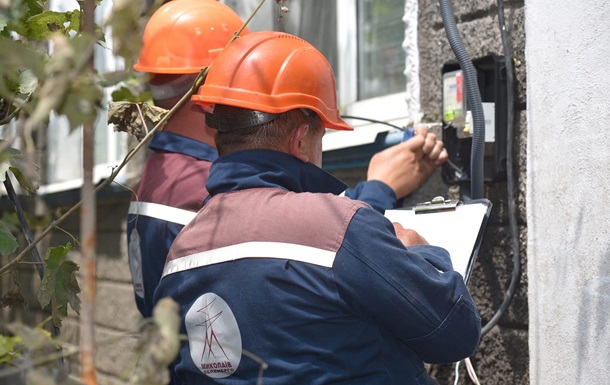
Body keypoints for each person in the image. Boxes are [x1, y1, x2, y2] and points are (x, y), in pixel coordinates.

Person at [155, 31, 481, 385]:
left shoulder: (180, 254)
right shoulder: (339, 228)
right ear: (299, 140)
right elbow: (454, 333)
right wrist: (422, 253)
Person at [127, 0, 447, 320]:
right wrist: (379, 188)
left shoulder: (163, 175)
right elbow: (315, 248)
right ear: (209, 85)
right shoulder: (198, 189)